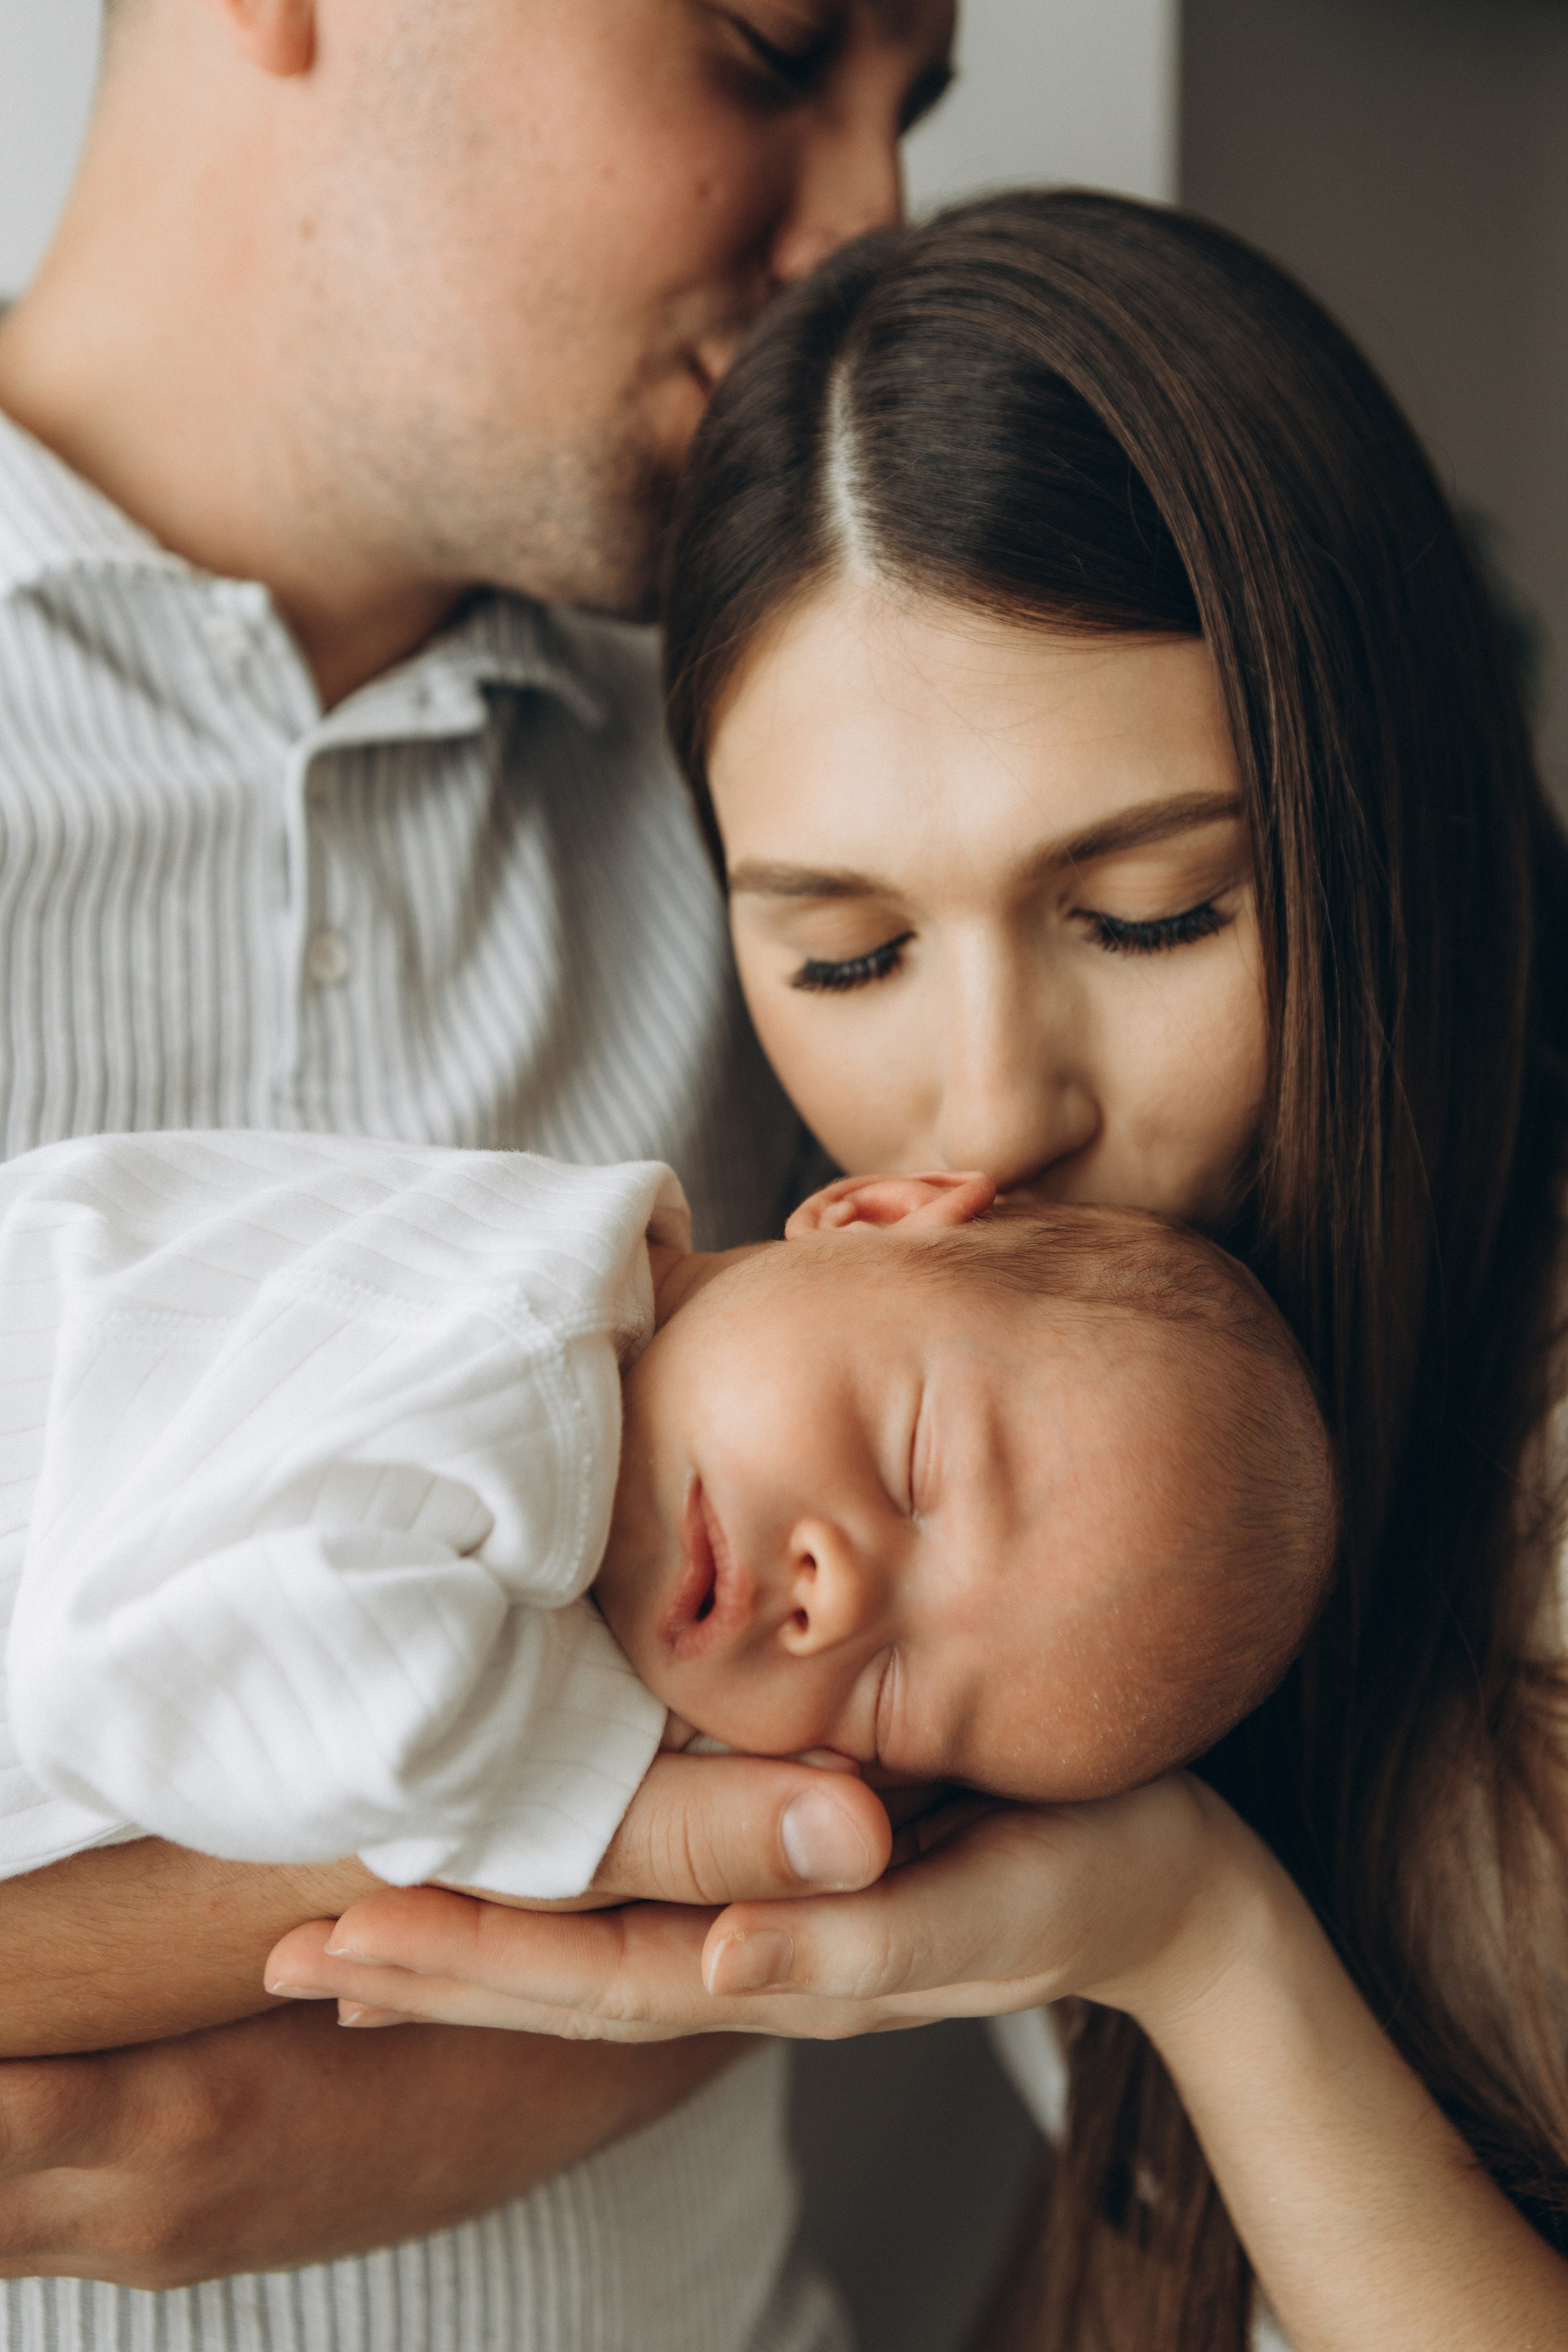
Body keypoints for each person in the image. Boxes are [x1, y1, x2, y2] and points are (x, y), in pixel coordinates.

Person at [278, 193, 1568, 2352]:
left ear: (1387, 825)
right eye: (848, 954)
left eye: (1152, 914)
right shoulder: (826, 1417)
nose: (985, 1109)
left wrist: (1196, 1944)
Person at [0, 0, 956, 2345]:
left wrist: (304, 2114)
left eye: (905, 108)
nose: (875, 224)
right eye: (771, 45)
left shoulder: (831, 800)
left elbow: (1070, 1627)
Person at [0, 1131, 1333, 1892]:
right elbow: (118, 1682)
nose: (838, 1597)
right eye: (912, 1463)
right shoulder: (519, 1354)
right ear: (869, 1213)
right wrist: (606, 1812)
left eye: (888, 1704)